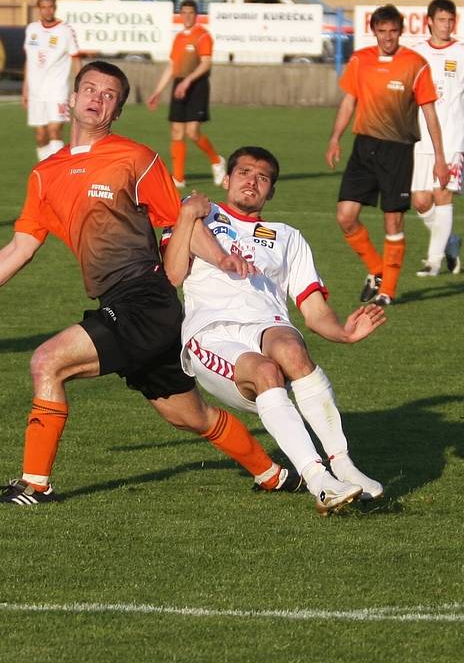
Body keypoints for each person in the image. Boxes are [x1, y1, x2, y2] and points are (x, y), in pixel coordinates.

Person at [0, 61, 299, 506]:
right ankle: (273, 475)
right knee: (189, 415)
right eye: (90, 89)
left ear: (116, 111)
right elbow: (19, 248)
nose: (97, 98)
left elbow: (182, 221)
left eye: (109, 94)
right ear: (71, 100)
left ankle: (34, 485)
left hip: (146, 298)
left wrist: (223, 257)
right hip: (124, 303)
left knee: (47, 362)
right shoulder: (45, 174)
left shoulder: (135, 157)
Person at [162, 147, 387, 514]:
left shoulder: (287, 237)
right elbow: (171, 276)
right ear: (227, 178)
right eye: (244, 172)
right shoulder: (200, 216)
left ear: (271, 191)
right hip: (211, 334)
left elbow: (313, 310)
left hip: (268, 327)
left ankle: (344, 465)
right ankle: (319, 481)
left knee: (291, 351)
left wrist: (343, 333)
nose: (252, 181)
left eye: (262, 177)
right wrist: (187, 217)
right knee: (267, 371)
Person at [325, 4, 450, 306]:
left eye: (393, 31)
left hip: (398, 150)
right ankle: (377, 269)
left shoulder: (415, 64)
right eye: (382, 32)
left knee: (393, 221)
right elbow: (348, 102)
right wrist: (335, 138)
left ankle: (388, 290)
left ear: (400, 31)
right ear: (374, 31)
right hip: (363, 147)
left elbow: (430, 113)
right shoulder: (360, 60)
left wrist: (440, 158)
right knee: (345, 217)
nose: (388, 38)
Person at [412, 0, 464, 276]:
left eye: (450, 20)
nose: (446, 25)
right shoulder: (414, 53)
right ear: (430, 22)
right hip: (420, 140)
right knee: (421, 202)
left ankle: (433, 262)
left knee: (443, 194)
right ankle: (450, 243)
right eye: (441, 20)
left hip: (453, 139)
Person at [146, 0, 226, 189]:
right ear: (180, 15)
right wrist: (157, 91)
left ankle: (216, 161)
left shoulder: (203, 36)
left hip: (196, 85)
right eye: (184, 12)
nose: (187, 16)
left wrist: (189, 80)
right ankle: (179, 178)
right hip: (179, 84)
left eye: (191, 12)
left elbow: (206, 62)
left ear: (196, 14)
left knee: (192, 132)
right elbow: (172, 66)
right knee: (176, 131)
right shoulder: (179, 38)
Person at [23, 0, 81, 161]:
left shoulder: (65, 30)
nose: (47, 11)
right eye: (43, 8)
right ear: (39, 9)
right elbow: (29, 60)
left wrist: (79, 89)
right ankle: (47, 173)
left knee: (54, 131)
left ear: (54, 8)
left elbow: (76, 59)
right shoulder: (32, 29)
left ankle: (59, 173)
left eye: (50, 7)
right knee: (41, 136)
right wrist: (25, 89)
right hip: (35, 92)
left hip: (57, 91)